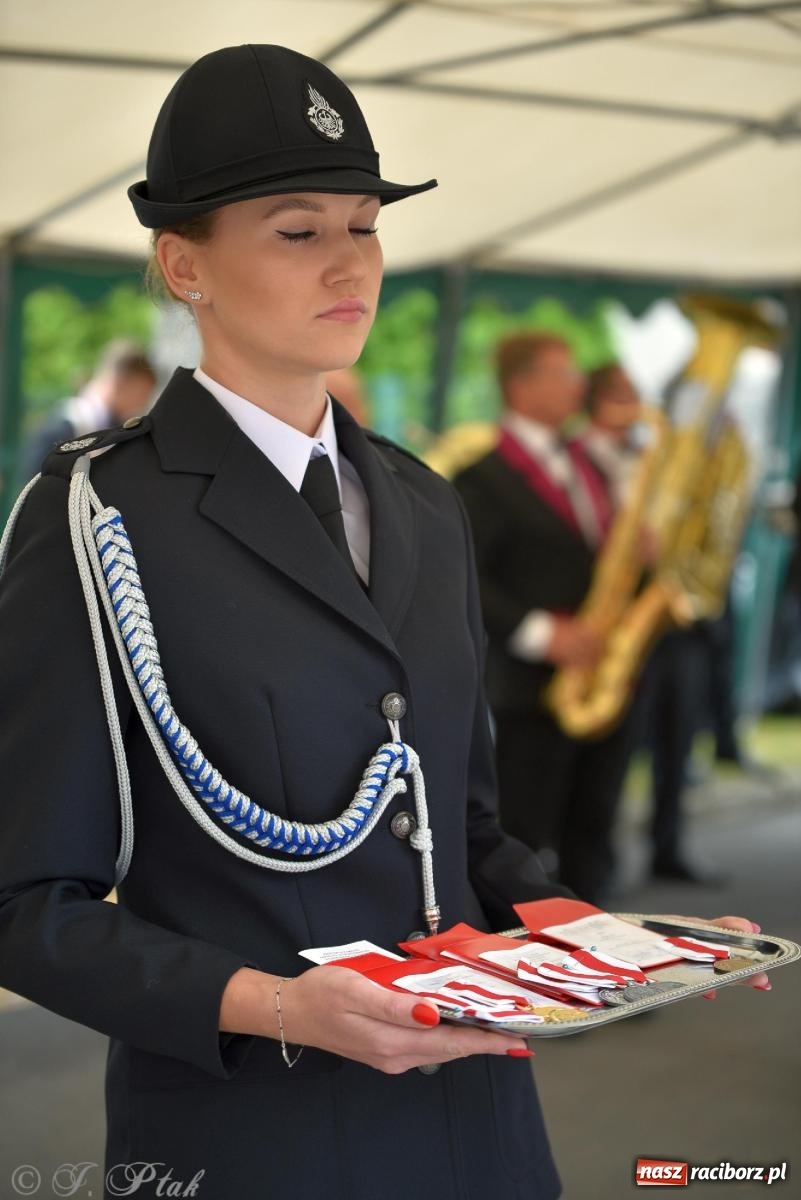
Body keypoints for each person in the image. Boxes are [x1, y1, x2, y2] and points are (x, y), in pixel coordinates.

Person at [0, 45, 768, 1200]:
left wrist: (609, 944)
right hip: (258, 1131)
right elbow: (24, 904)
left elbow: (462, 828)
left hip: (484, 1129)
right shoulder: (97, 514)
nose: (350, 262)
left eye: (364, 225)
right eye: (298, 230)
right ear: (183, 264)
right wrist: (270, 1006)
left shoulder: (422, 502)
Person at [453, 334, 636, 902]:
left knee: (595, 826)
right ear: (520, 385)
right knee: (524, 837)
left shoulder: (592, 465)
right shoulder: (481, 476)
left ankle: (604, 951)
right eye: (561, 373)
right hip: (529, 685)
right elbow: (467, 577)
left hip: (603, 671)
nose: (577, 384)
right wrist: (541, 632)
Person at [19, 339, 155, 481]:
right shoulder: (61, 427)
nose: (143, 403)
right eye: (142, 393)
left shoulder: (114, 426)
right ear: (122, 382)